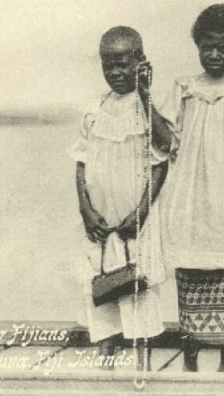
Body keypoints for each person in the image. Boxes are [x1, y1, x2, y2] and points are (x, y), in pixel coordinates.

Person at [158, 4, 224, 372]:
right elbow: (165, 139)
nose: (215, 55)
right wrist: (144, 93)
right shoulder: (185, 88)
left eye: (223, 48)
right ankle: (189, 360)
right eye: (208, 46)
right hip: (190, 194)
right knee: (190, 273)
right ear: (197, 46)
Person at [70, 26, 169, 371]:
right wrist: (85, 209)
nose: (116, 73)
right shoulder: (93, 109)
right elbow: (81, 164)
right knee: (100, 291)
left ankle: (142, 370)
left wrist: (142, 211)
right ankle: (105, 365)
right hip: (100, 222)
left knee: (139, 290)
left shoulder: (148, 107)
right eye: (109, 65)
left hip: (135, 222)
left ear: (141, 63)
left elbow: (163, 154)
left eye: (125, 64)